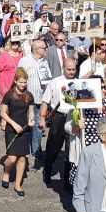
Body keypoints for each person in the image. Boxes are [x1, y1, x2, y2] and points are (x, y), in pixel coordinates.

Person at [40, 58, 78, 186]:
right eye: (69, 69)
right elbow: (45, 101)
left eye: (73, 69)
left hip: (73, 117)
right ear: (63, 68)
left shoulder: (78, 83)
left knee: (70, 149)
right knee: (53, 147)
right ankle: (48, 169)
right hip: (59, 116)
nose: (71, 72)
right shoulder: (55, 82)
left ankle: (67, 180)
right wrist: (42, 118)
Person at [0, 67, 34, 197]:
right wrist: (13, 124)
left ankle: (18, 184)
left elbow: (30, 111)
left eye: (25, 82)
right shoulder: (9, 95)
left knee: (22, 158)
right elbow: (3, 113)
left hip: (24, 130)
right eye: (21, 82)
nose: (23, 85)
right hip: (11, 129)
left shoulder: (29, 95)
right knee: (12, 158)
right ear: (15, 81)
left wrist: (31, 120)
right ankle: (7, 171)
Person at [17, 39, 52, 169]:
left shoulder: (44, 61)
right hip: (27, 100)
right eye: (44, 48)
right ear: (36, 49)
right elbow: (18, 78)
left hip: (40, 99)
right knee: (27, 125)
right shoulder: (25, 61)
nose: (46, 50)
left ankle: (36, 151)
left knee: (38, 127)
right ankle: (24, 150)